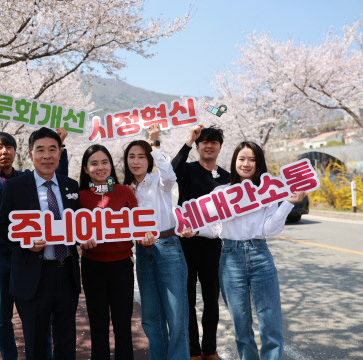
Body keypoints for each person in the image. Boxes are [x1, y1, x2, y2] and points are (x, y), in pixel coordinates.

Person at [0, 109, 68, 359]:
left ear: (17, 152)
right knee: (1, 319)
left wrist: (60, 144)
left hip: (31, 256)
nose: (4, 151)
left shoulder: (26, 180)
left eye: (8, 146)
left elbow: (55, 177)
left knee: (41, 315)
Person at [183, 141, 305, 360]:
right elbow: (215, 228)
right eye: (241, 159)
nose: (246, 164)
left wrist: (287, 203)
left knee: (271, 326)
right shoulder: (222, 192)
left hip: (260, 255)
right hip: (230, 258)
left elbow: (270, 228)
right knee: (241, 328)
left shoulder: (266, 192)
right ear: (234, 161)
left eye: (252, 159)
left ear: (258, 164)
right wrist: (195, 230)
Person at [0, 127, 87, 360]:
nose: (47, 156)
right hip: (32, 275)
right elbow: (2, 228)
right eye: (41, 150)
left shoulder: (71, 186)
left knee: (67, 340)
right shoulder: (15, 187)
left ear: (60, 153)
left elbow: (76, 226)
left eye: (52, 150)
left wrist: (85, 238)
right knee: (36, 342)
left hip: (66, 272)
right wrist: (25, 243)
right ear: (30, 154)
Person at [123, 124, 189, 359]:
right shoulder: (125, 190)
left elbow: (171, 174)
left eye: (142, 156)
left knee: (177, 316)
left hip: (167, 248)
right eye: (131, 157)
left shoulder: (160, 182)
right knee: (151, 318)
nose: (136, 161)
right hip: (142, 253)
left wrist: (155, 143)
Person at [172, 124, 230, 360]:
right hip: (184, 244)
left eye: (213, 142)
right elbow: (172, 169)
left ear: (219, 147)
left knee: (211, 300)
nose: (209, 145)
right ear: (197, 147)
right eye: (204, 142)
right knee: (188, 300)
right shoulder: (187, 169)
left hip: (212, 245)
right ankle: (193, 350)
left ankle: (210, 349)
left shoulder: (227, 178)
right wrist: (188, 141)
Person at [78, 144, 138, 360]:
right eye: (94, 163)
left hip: (121, 265)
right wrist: (80, 241)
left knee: (123, 325)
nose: (100, 167)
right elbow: (74, 231)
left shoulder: (124, 192)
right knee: (98, 325)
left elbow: (139, 227)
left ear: (111, 166)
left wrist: (147, 239)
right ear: (85, 169)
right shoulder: (80, 196)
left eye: (105, 162)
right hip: (92, 267)